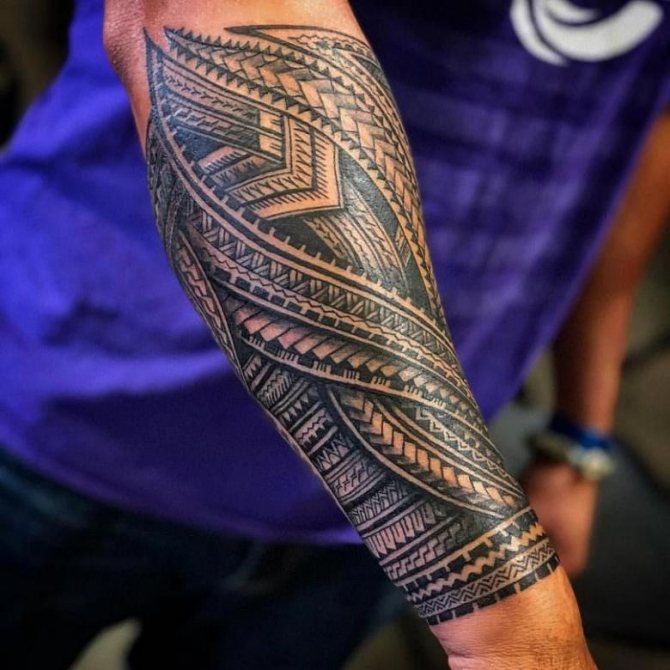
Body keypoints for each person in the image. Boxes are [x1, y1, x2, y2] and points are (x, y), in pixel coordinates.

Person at [1, 0, 667, 667]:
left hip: (368, 532)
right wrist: (505, 611)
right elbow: (200, 18)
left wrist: (578, 437)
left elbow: (620, 166)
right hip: (72, 407)